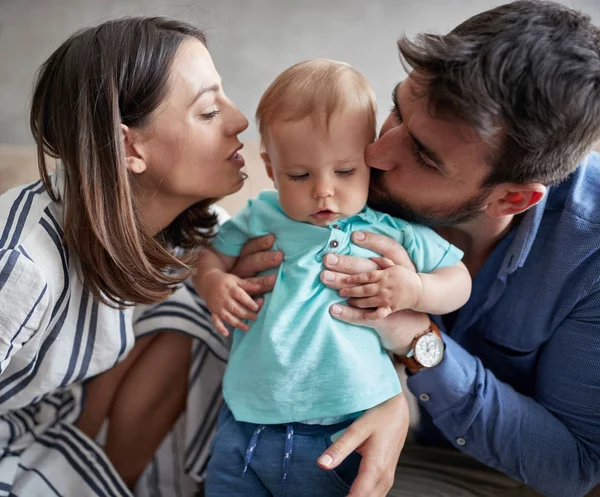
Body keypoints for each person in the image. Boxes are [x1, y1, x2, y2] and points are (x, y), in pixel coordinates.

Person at [0, 16, 409, 497]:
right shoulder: (21, 264)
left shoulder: (206, 231)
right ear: (129, 145)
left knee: (196, 304)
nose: (240, 122)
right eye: (209, 110)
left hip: (87, 437)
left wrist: (389, 397)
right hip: (19, 450)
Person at [302, 1, 600, 496]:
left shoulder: (588, 258)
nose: (377, 153)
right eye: (398, 108)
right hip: (410, 432)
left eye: (422, 156)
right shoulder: (371, 181)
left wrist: (417, 343)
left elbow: (573, 467)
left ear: (512, 198)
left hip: (513, 473)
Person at [193, 59, 471, 496]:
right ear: (270, 167)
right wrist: (215, 283)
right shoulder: (261, 215)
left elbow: (458, 279)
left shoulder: (387, 229)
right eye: (299, 175)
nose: (323, 190)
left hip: (345, 426)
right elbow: (209, 256)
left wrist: (416, 289)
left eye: (345, 172)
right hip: (245, 420)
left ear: (371, 160)